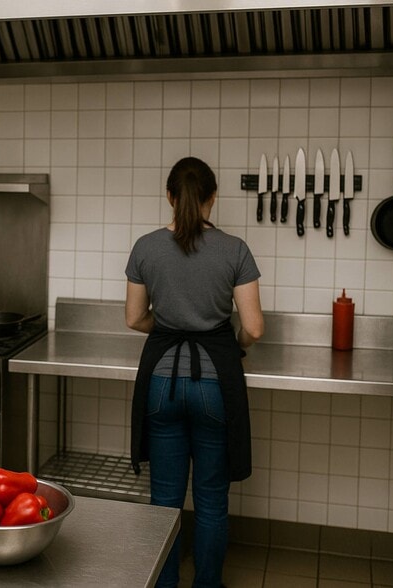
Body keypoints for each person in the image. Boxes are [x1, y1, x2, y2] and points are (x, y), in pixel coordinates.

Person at [124, 157, 264, 588]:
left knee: (164, 501)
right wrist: (235, 342)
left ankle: (164, 584)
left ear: (169, 196)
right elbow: (254, 327)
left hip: (161, 383)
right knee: (211, 501)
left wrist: (169, 325)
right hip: (214, 386)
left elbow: (134, 318)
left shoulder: (146, 247)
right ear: (212, 197)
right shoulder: (234, 249)